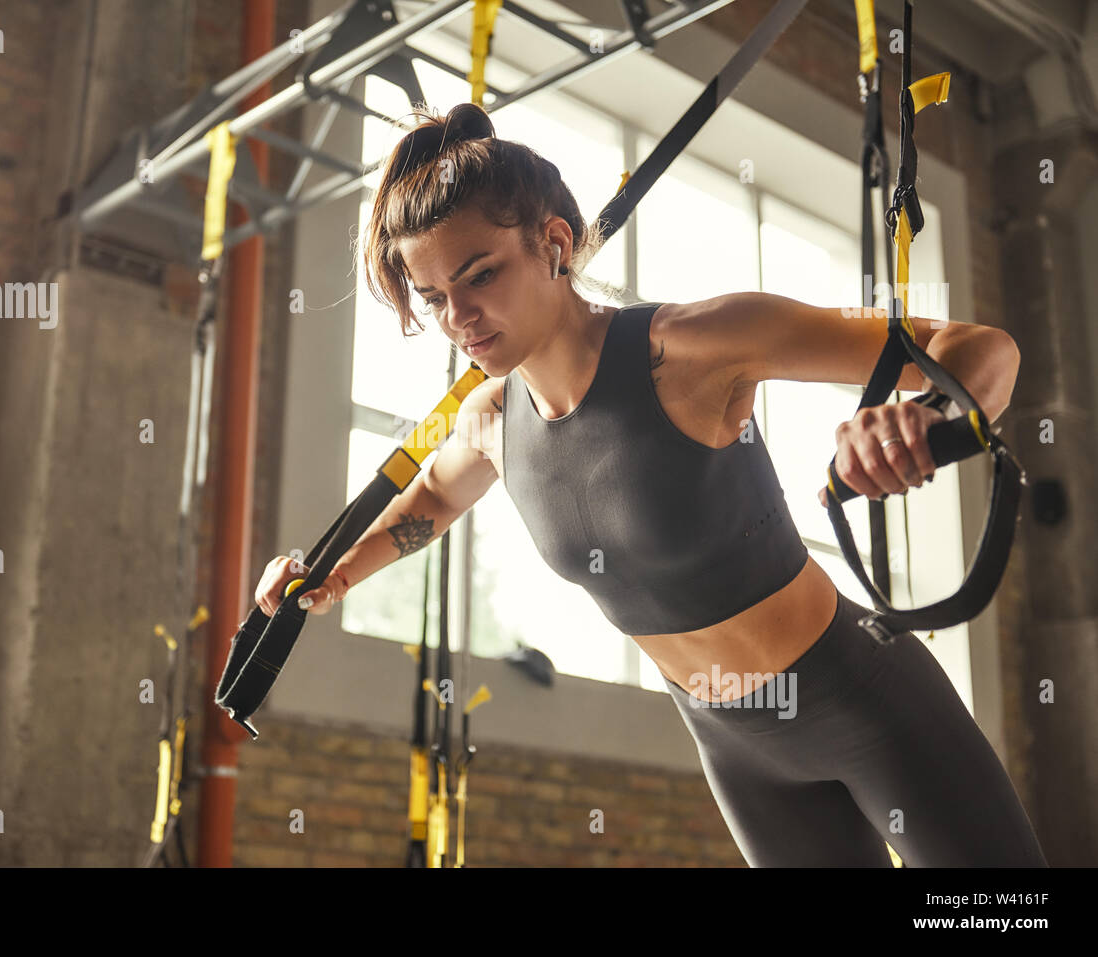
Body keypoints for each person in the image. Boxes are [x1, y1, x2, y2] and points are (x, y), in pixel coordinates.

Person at [254, 102, 1046, 867]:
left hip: (862, 699)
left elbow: (980, 348)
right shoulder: (494, 421)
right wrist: (327, 575)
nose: (459, 316)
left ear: (554, 243)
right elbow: (429, 498)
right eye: (435, 299)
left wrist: (926, 416)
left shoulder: (692, 347)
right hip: (735, 746)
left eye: (481, 275)